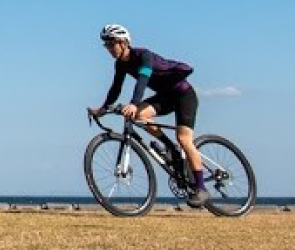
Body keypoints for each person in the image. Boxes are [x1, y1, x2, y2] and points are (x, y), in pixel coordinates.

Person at [87, 23, 209, 207]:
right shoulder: (120, 64)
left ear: (124, 43)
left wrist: (134, 104)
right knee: (139, 117)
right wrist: (103, 108)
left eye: (112, 44)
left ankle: (201, 189)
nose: (109, 49)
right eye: (107, 45)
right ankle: (171, 148)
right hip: (164, 98)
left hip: (184, 95)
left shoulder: (144, 56)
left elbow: (142, 80)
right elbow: (116, 88)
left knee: (184, 139)